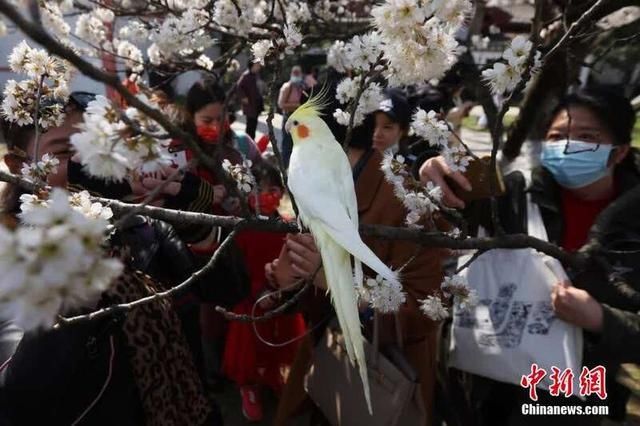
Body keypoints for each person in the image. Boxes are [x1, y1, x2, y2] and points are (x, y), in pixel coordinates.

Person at [419, 87, 639, 425]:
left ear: (620, 151)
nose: (567, 146)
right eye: (556, 135)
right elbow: (455, 220)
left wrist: (600, 319)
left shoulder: (632, 222)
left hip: (579, 400)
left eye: (586, 137)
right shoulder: (516, 195)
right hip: (492, 390)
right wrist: (437, 178)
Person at [0, 92, 220, 425]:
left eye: (92, 153)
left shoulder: (140, 226)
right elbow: (15, 396)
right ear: (19, 166)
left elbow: (227, 288)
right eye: (63, 153)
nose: (83, 169)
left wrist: (191, 217)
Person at [271, 106, 447, 425]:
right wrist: (290, 284)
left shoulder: (404, 201)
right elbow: (309, 299)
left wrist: (343, 286)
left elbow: (424, 312)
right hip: (328, 370)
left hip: (387, 386)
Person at [222, 162, 306, 422]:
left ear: (281, 193)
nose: (267, 195)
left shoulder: (290, 227)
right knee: (250, 351)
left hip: (282, 300)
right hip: (251, 303)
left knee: (282, 347)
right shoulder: (239, 229)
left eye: (273, 190)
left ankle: (275, 379)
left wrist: (282, 292)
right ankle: (250, 386)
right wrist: (258, 293)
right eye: (259, 190)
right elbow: (234, 274)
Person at [278, 65, 306, 168]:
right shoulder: (287, 87)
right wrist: (296, 105)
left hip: (300, 119)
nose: (297, 75)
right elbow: (281, 104)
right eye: (295, 73)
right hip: (288, 119)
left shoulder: (302, 87)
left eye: (298, 73)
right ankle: (285, 167)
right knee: (287, 145)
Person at [237, 62, 264, 140]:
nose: (259, 67)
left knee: (254, 124)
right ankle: (248, 143)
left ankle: (252, 141)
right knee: (250, 125)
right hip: (250, 105)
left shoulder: (256, 75)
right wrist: (244, 97)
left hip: (256, 105)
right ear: (252, 66)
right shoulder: (246, 76)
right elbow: (239, 87)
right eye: (257, 65)